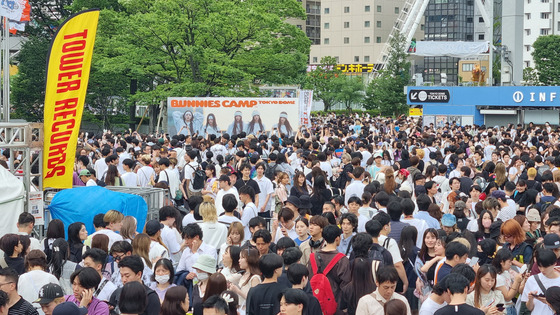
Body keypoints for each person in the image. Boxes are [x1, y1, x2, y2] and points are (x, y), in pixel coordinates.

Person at [307, 225, 351, 314]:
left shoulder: (312, 257)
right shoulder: (342, 260)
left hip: (315, 304)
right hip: (335, 306)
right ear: (338, 238)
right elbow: (346, 286)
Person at [521, 248, 560, 314]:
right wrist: (530, 299)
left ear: (554, 264)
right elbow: (529, 308)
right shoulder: (532, 280)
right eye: (539, 266)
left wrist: (549, 302)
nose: (542, 270)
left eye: (546, 267)